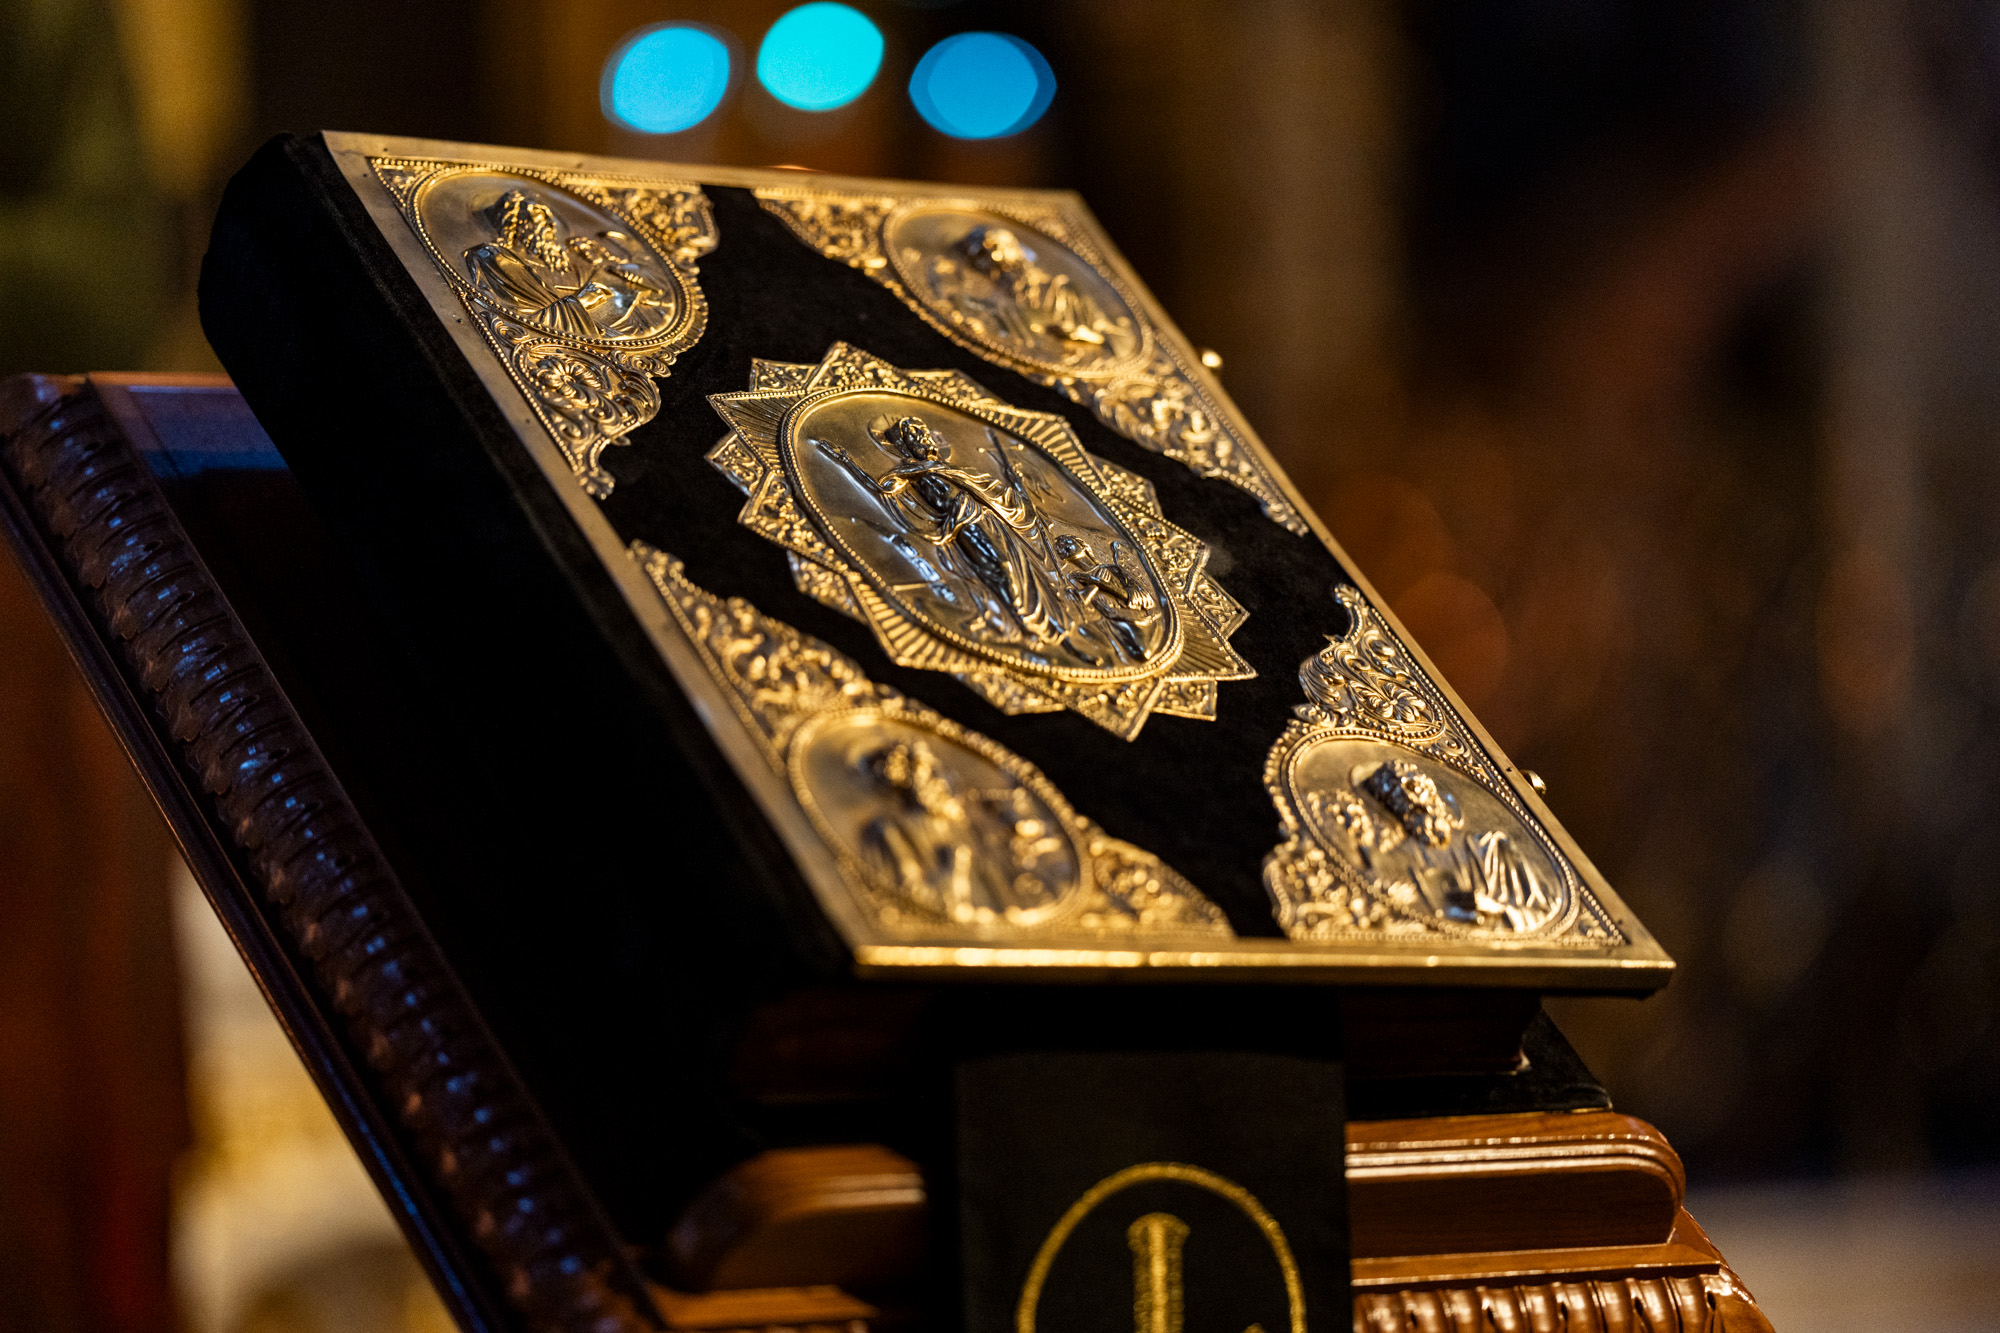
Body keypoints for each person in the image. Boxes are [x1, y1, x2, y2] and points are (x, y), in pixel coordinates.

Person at [463, 188, 676, 341]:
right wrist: (581, 302)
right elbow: (523, 323)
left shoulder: (568, 262)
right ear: (514, 223)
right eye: (538, 216)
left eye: (549, 218)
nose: (550, 224)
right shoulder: (496, 259)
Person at [923, 224, 1138, 366]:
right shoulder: (988, 302)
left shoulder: (1062, 291)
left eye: (997, 248)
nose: (993, 257)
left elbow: (1112, 337)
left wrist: (1086, 336)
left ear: (1016, 250)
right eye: (981, 254)